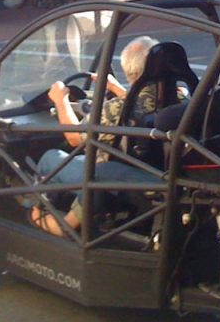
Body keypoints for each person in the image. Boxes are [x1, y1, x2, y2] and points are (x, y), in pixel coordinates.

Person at [31, 35, 160, 235]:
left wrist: (61, 101)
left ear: (128, 71)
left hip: (111, 179)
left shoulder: (116, 109)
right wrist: (117, 89)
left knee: (50, 159)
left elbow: (75, 138)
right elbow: (142, 101)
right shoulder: (179, 95)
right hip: (150, 173)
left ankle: (50, 219)